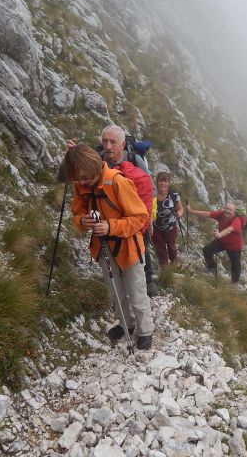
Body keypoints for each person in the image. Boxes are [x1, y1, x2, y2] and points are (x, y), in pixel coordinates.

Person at [63, 144, 154, 350]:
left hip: (129, 247)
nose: (82, 183)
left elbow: (140, 217)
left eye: (85, 178)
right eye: (79, 179)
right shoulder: (81, 185)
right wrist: (82, 221)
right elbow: (77, 213)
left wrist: (111, 226)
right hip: (103, 247)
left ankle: (145, 330)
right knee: (116, 291)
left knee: (137, 291)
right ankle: (126, 324)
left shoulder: (117, 182)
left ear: (95, 168)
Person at [66, 124, 157, 296]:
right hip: (110, 215)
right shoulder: (97, 160)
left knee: (141, 245)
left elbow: (147, 191)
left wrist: (146, 222)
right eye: (105, 141)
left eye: (112, 142)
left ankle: (148, 279)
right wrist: (72, 157)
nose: (108, 146)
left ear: (122, 145)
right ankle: (122, 282)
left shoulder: (135, 161)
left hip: (133, 213)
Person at [187, 201, 244, 284]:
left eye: (230, 210)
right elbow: (207, 214)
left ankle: (234, 282)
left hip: (234, 246)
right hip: (222, 241)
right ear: (224, 208)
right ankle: (211, 268)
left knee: (235, 264)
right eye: (226, 208)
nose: (227, 211)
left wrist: (220, 234)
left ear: (234, 212)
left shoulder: (236, 220)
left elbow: (229, 229)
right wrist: (191, 211)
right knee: (207, 250)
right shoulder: (221, 214)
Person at [152, 172, 183, 266]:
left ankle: (174, 266)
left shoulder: (173, 195)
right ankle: (165, 269)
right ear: (157, 181)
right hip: (156, 228)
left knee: (172, 247)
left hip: (170, 228)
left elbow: (180, 208)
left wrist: (179, 213)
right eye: (160, 181)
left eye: (165, 181)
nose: (163, 183)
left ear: (169, 183)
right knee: (160, 248)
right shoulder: (152, 194)